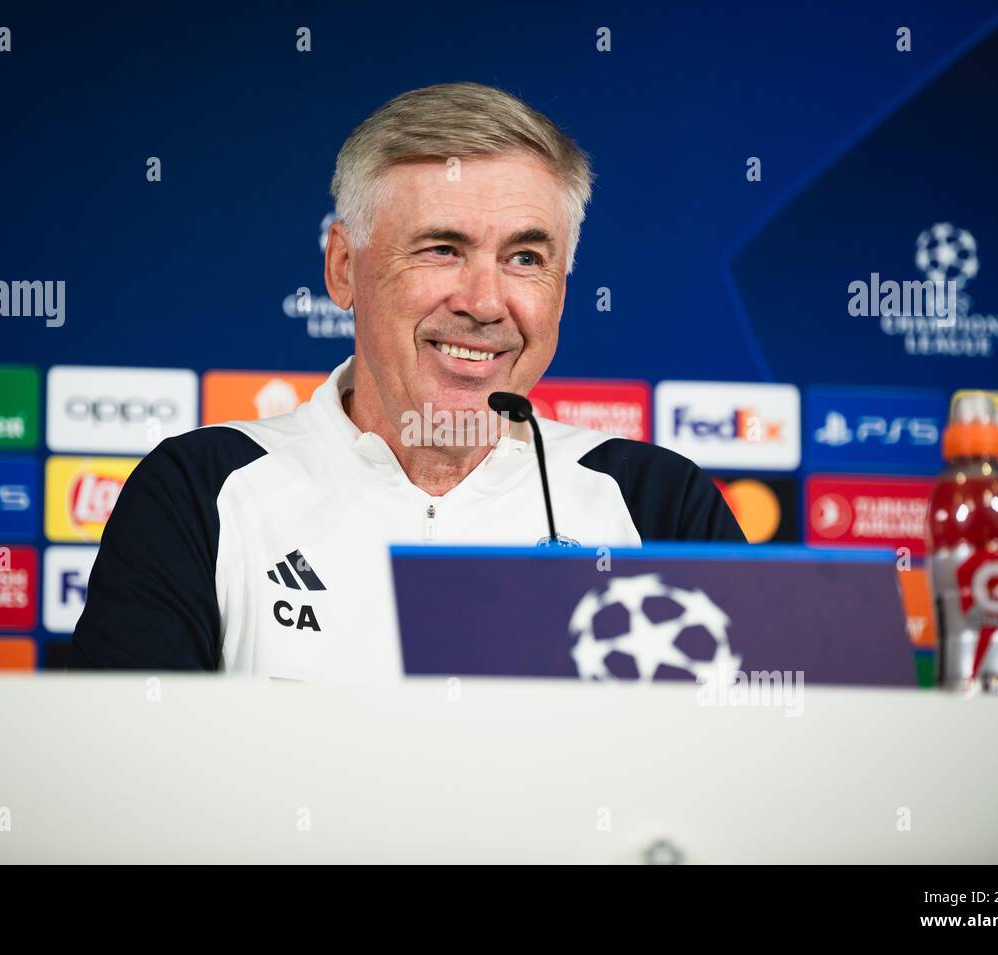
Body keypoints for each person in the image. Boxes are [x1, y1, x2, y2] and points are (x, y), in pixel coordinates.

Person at [70, 82, 744, 676]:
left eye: (526, 257)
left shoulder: (660, 506)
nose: (484, 302)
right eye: (443, 248)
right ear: (342, 268)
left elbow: (743, 777)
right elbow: (128, 788)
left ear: (562, 289)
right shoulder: (198, 494)